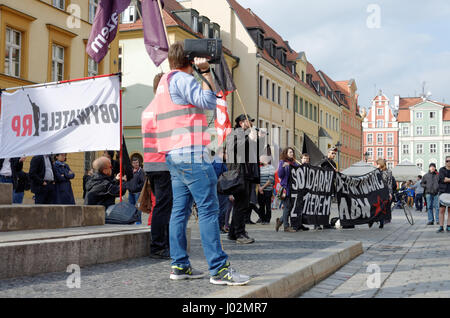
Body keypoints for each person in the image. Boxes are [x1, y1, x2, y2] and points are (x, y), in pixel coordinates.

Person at [148, 42, 249, 285]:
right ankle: (219, 270)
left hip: (173, 154)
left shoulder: (164, 82)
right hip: (190, 154)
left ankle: (179, 265)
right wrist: (205, 73)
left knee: (179, 212)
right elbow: (207, 101)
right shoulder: (183, 79)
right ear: (190, 60)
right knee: (209, 209)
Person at [142, 72, 173, 259]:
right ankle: (159, 246)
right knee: (163, 207)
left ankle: (164, 244)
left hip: (151, 164)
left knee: (161, 206)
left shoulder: (148, 109)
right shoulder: (163, 110)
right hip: (163, 164)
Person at [226, 114, 264, 243]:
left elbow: (255, 153)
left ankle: (233, 232)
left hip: (247, 174)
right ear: (242, 122)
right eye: (249, 121)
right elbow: (234, 149)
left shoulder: (247, 134)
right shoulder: (234, 133)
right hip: (239, 173)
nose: (251, 123)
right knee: (241, 205)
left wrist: (259, 140)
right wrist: (249, 138)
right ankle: (239, 233)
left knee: (242, 205)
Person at [276, 147, 306, 232]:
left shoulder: (294, 163)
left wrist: (303, 164)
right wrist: (282, 167)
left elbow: (299, 170)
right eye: (290, 152)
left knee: (290, 207)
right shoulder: (282, 162)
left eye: (292, 152)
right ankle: (286, 226)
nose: (292, 154)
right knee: (287, 207)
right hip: (286, 189)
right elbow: (280, 175)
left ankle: (280, 220)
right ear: (286, 153)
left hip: (294, 189)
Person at [315, 146, 338, 229]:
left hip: (330, 187)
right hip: (322, 187)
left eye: (335, 154)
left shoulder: (334, 163)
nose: (334, 155)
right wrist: (326, 159)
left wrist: (336, 172)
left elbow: (334, 177)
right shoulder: (324, 161)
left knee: (327, 206)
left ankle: (325, 223)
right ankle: (316, 223)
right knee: (320, 205)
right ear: (328, 153)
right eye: (332, 153)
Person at [211, 148, 233, 234]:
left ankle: (220, 226)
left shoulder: (217, 161)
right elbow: (217, 176)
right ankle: (219, 227)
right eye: (226, 153)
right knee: (221, 209)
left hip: (219, 189)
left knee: (221, 209)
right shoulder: (218, 162)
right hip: (220, 189)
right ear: (221, 153)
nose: (227, 155)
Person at [369, 158, 393, 229]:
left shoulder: (388, 171)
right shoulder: (376, 171)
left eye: (378, 163)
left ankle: (381, 222)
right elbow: (371, 177)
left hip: (384, 192)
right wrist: (376, 169)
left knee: (382, 207)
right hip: (376, 191)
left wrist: (390, 193)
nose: (377, 165)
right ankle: (371, 221)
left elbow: (389, 183)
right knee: (373, 206)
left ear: (381, 164)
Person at [258, 155, 275, 225]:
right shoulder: (260, 168)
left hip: (268, 190)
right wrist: (259, 188)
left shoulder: (271, 168)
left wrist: (262, 187)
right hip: (260, 190)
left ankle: (267, 220)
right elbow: (257, 179)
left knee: (268, 205)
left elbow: (270, 179)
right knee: (261, 206)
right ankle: (262, 219)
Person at [437, 156, 450, 233]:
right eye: (447, 161)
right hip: (443, 192)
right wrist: (446, 179)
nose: (448, 162)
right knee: (442, 210)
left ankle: (448, 226)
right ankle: (441, 227)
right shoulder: (442, 170)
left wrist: (447, 179)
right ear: (445, 161)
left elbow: (446, 179)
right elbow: (443, 179)